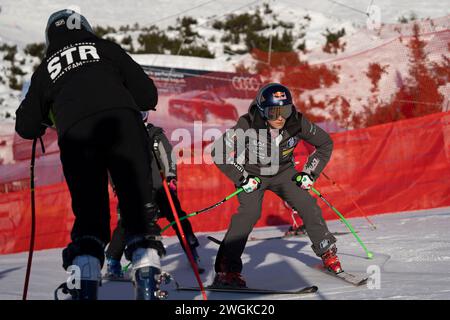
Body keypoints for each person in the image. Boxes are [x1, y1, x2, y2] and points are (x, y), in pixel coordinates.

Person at [15, 9, 164, 300]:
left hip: (77, 134)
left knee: (90, 216)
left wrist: (48, 113)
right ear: (86, 28)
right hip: (124, 125)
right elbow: (148, 96)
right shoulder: (106, 48)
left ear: (50, 37)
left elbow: (26, 127)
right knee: (137, 208)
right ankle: (147, 280)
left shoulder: (46, 68)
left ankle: (84, 285)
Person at [211, 83, 342, 288]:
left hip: (284, 172)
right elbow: (218, 151)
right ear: (263, 111)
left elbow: (325, 143)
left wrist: (310, 173)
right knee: (249, 213)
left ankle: (326, 250)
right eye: (274, 112)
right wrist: (242, 177)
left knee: (306, 204)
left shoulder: (297, 123)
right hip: (254, 174)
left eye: (286, 110)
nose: (280, 118)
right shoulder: (247, 124)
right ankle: (227, 270)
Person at [105, 113, 204, 278]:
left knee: (178, 217)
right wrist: (116, 184)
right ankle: (113, 262)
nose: (139, 117)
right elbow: (113, 164)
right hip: (133, 189)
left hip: (159, 188)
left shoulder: (154, 134)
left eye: (142, 113)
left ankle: (191, 252)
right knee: (126, 223)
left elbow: (167, 156)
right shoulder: (120, 136)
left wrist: (171, 177)